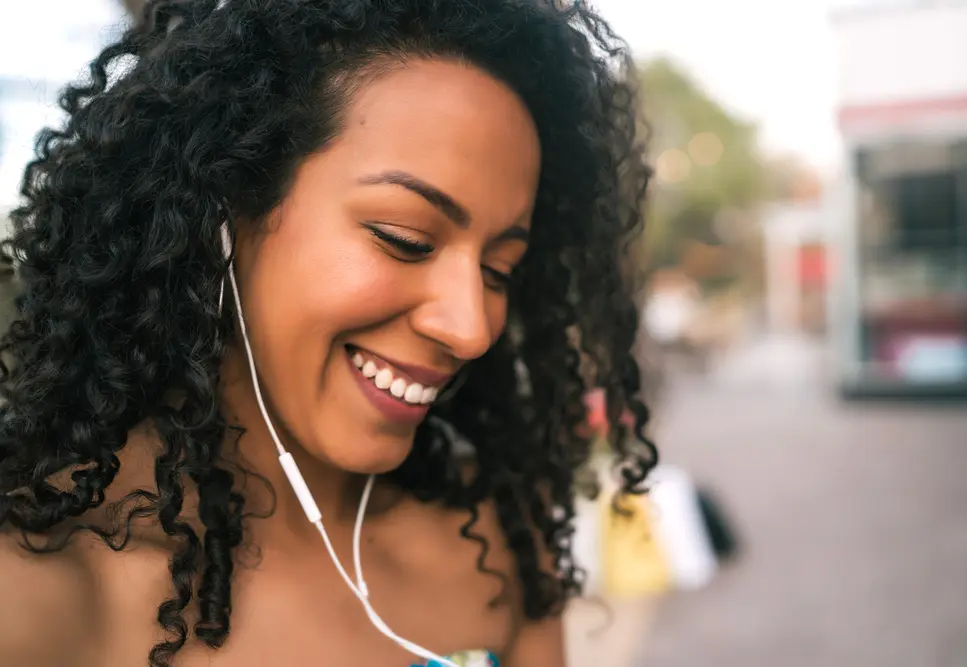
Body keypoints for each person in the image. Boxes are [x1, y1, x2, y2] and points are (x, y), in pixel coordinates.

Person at [0, 1, 657, 666]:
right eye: (405, 240)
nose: (471, 329)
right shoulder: (45, 592)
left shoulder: (498, 542)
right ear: (223, 210)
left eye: (499, 269)